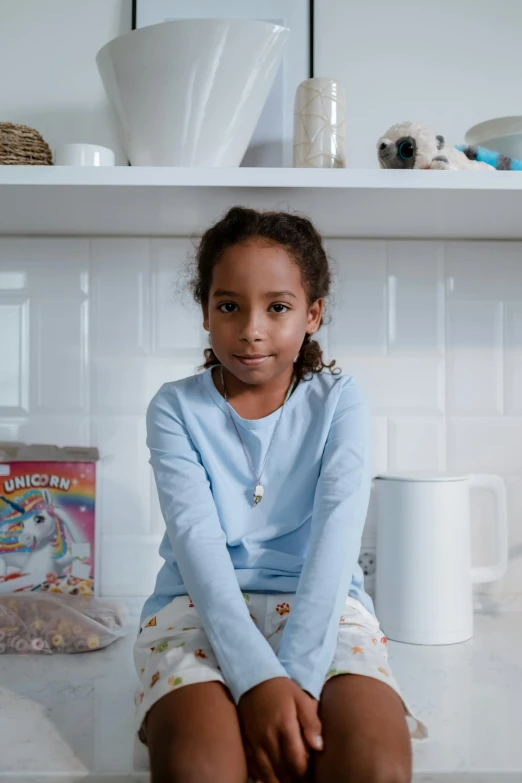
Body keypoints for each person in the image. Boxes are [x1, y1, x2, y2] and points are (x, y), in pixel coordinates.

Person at [133, 206, 427, 783]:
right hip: (196, 610)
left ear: (312, 314)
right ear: (205, 312)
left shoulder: (340, 401)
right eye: (229, 306)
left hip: (326, 615)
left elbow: (336, 541)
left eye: (278, 307)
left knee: (378, 766)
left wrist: (291, 676)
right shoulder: (175, 406)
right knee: (199, 768)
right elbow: (198, 547)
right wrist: (254, 680)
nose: (251, 329)